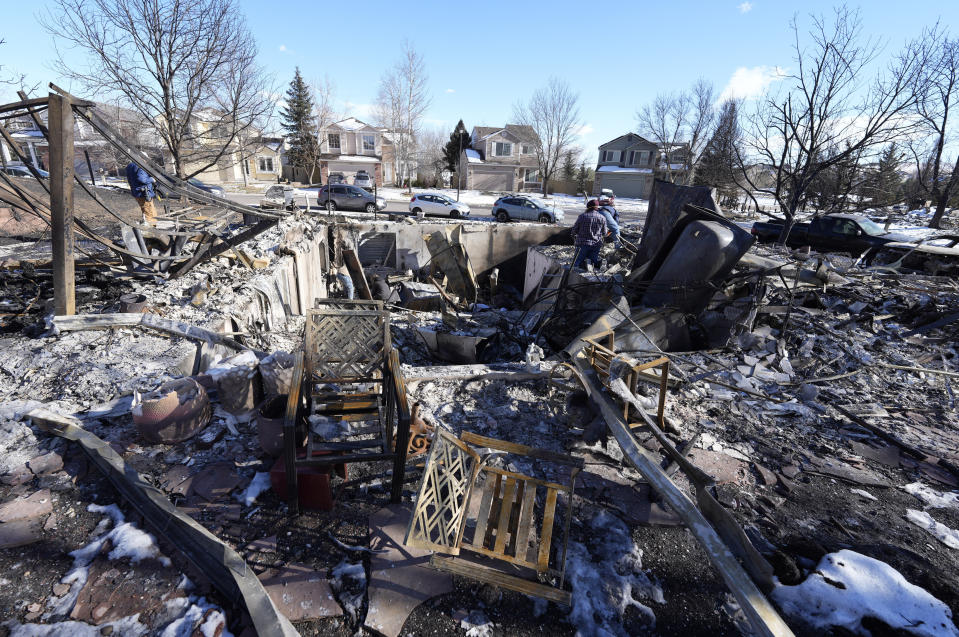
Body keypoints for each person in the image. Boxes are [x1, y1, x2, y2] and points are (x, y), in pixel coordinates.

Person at [571, 199, 607, 270]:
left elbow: (574, 231)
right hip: (596, 244)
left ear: (588, 207)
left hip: (582, 244)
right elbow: (605, 233)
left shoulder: (582, 216)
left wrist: (574, 234)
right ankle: (596, 266)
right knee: (593, 262)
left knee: (577, 263)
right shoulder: (602, 218)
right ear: (597, 207)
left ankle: (581, 268)